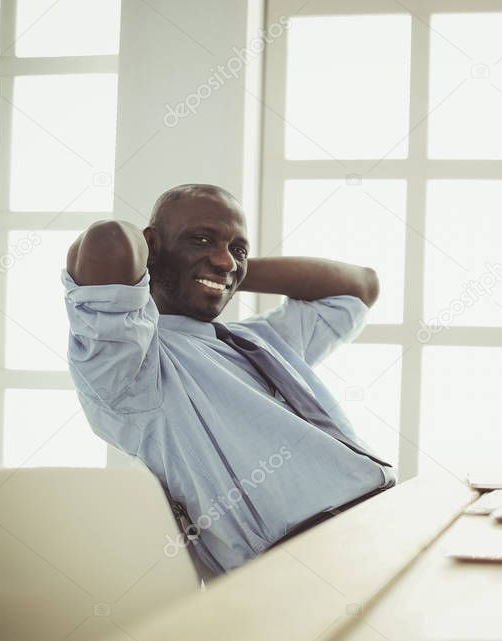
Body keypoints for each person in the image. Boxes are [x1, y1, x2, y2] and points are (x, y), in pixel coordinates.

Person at [62, 183, 394, 573]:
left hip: (385, 518)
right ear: (152, 246)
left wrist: (225, 269)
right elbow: (109, 241)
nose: (226, 260)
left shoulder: (262, 340)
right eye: (201, 239)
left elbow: (359, 286)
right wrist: (181, 261)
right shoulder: (132, 365)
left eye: (239, 249)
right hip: (307, 565)